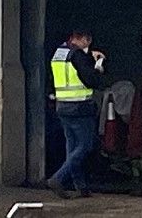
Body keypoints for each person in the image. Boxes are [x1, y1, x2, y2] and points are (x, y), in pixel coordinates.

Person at [47, 29, 109, 199]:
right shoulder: (77, 56)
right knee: (85, 145)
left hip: (62, 106)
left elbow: (70, 73)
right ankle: (58, 178)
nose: (87, 46)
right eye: (87, 42)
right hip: (80, 107)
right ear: (83, 39)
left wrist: (89, 58)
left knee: (72, 145)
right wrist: (98, 66)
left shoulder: (59, 54)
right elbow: (91, 80)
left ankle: (80, 186)